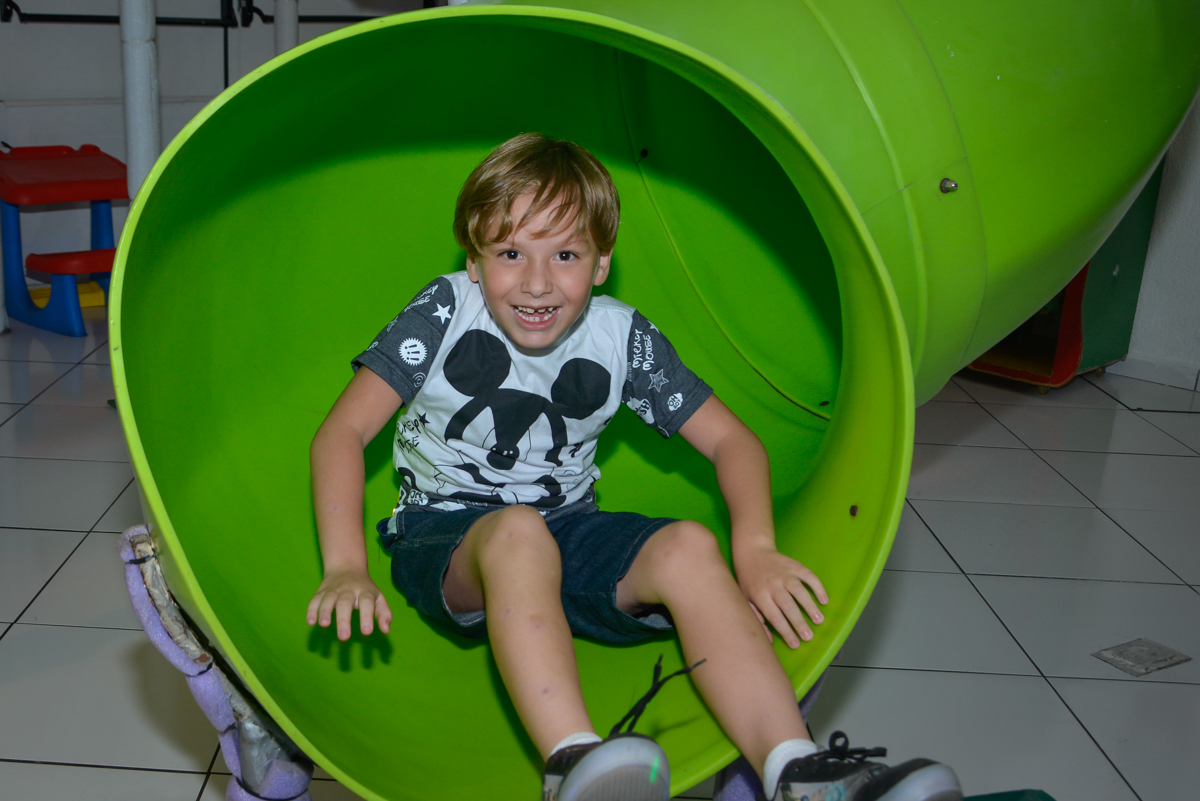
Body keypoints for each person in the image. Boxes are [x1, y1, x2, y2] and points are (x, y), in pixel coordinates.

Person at [305, 133, 961, 801]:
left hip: (565, 531)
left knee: (690, 545)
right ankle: (572, 763)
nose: (536, 282)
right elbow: (341, 433)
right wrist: (346, 566)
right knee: (517, 531)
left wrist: (756, 549)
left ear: (601, 263)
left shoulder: (621, 338)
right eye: (510, 253)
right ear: (474, 261)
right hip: (444, 535)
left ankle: (796, 770)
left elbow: (734, 442)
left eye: (565, 255)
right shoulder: (445, 310)